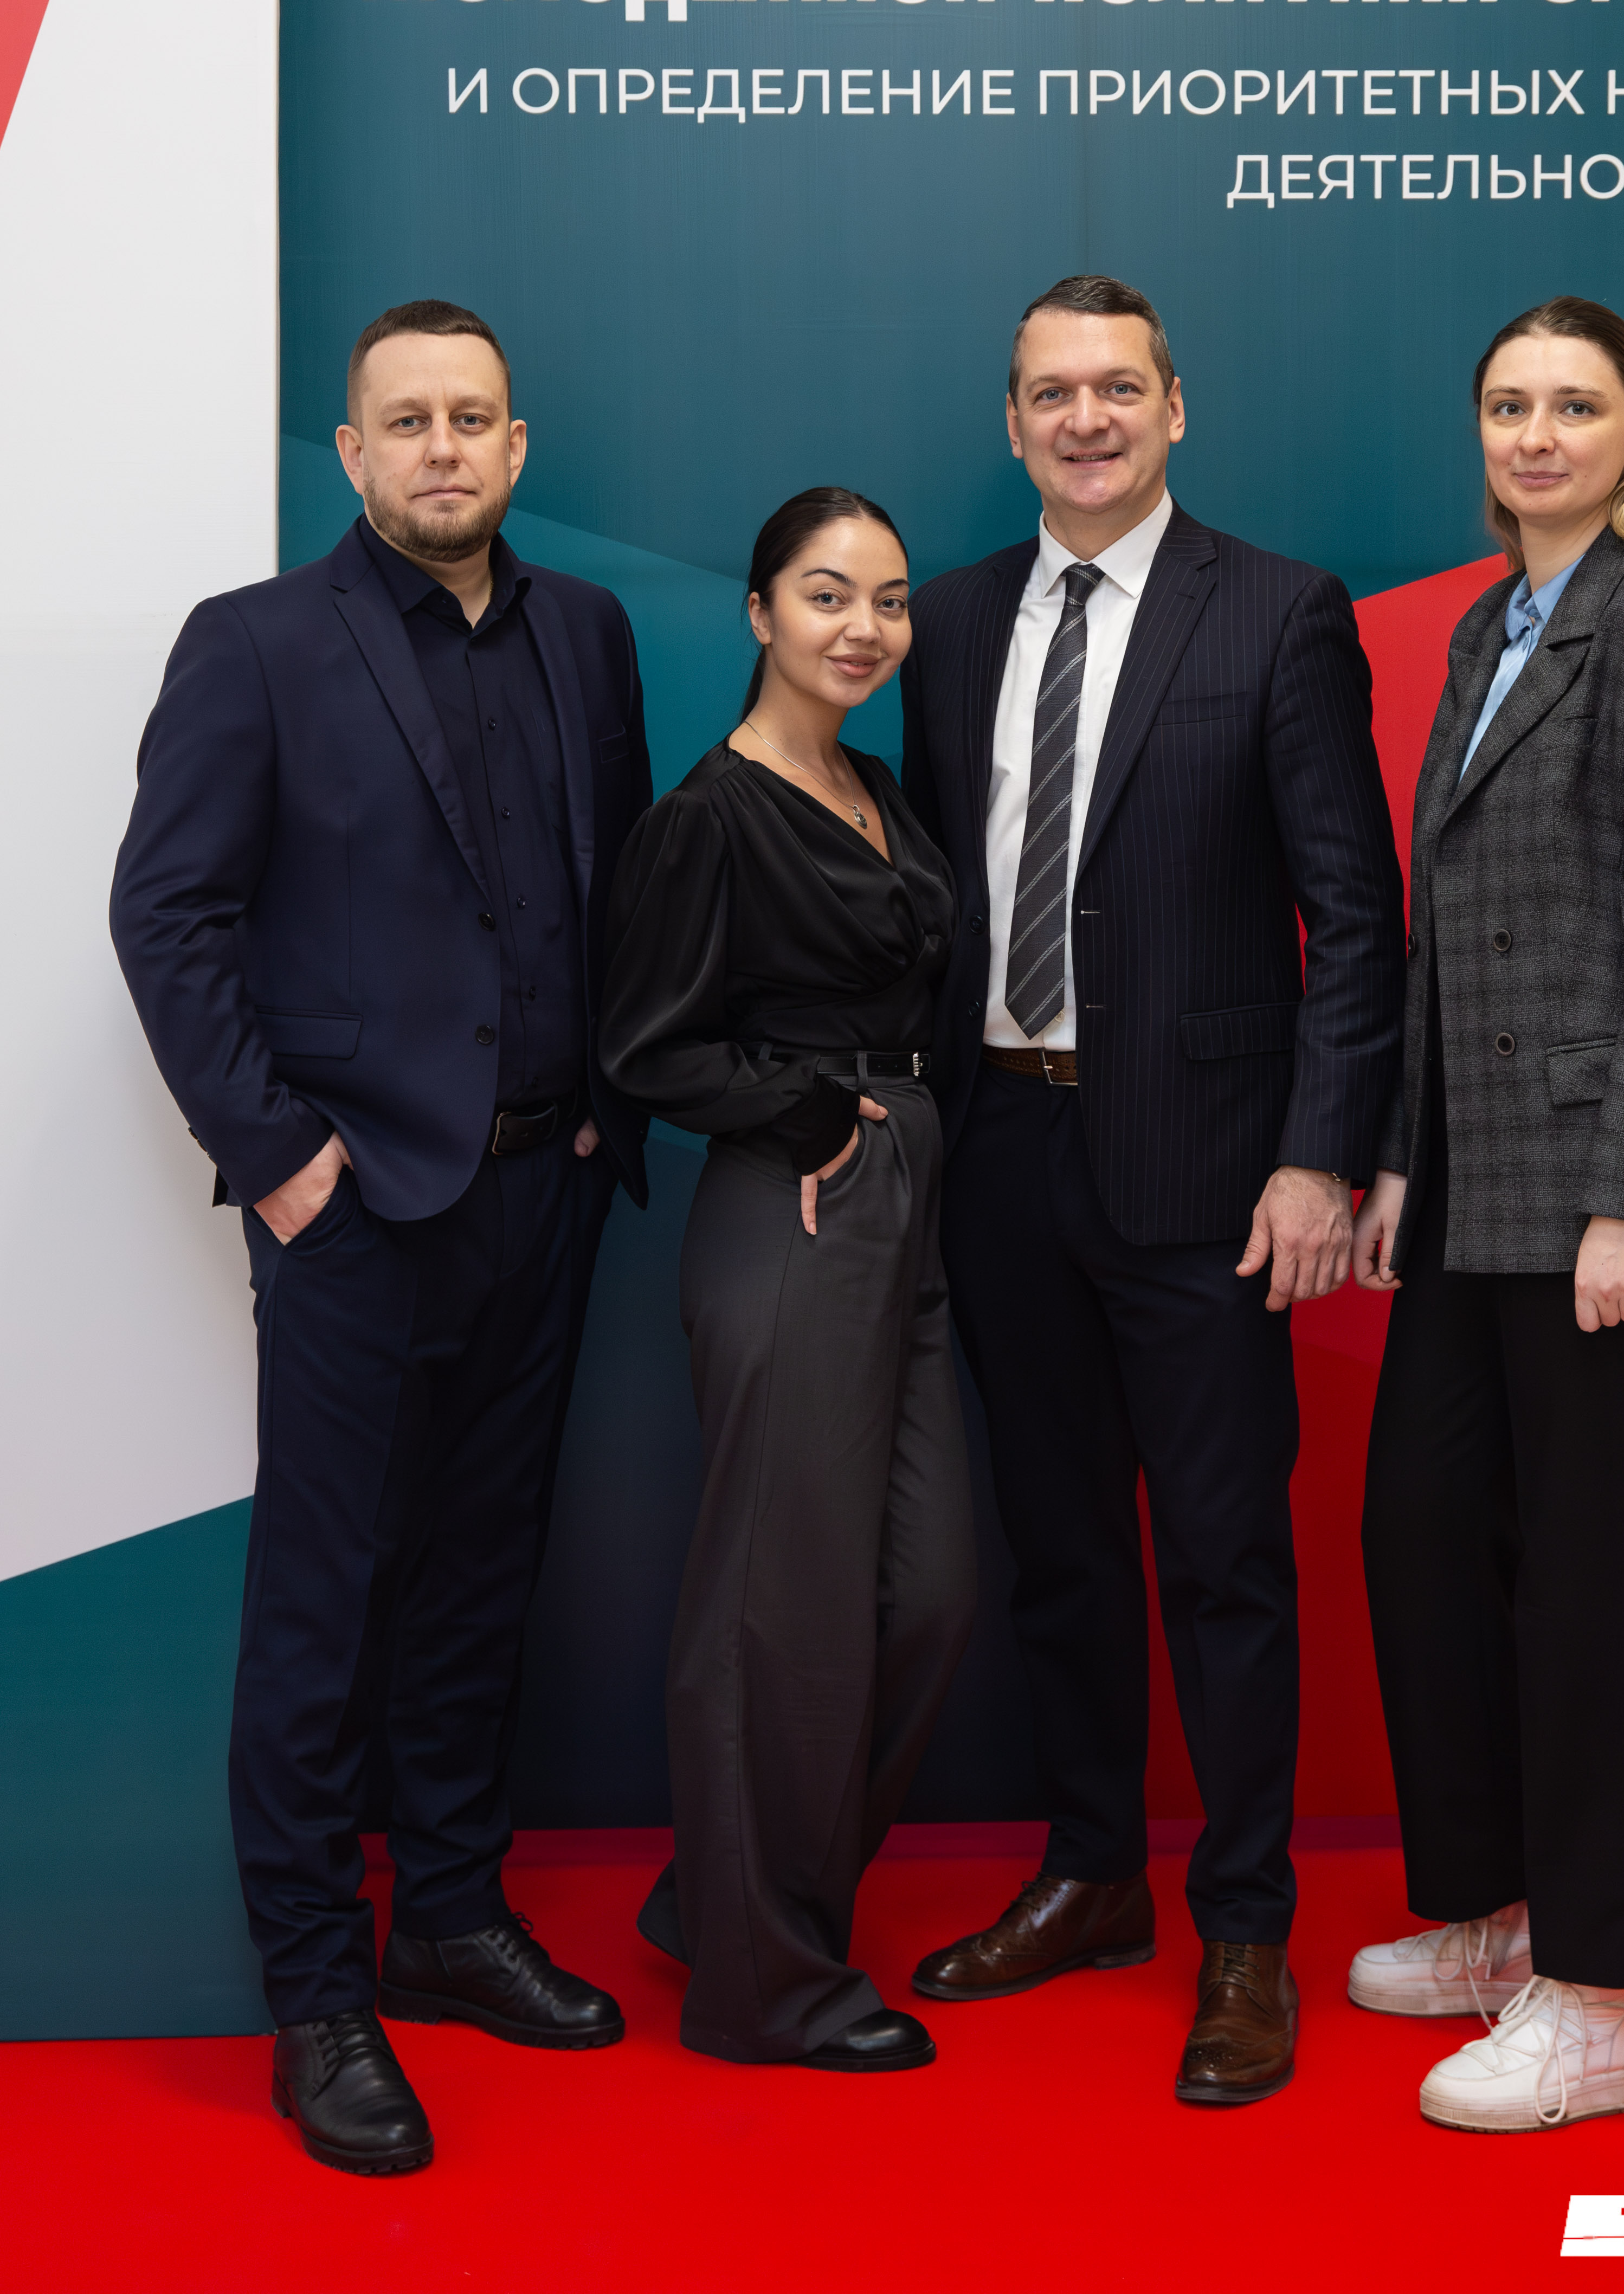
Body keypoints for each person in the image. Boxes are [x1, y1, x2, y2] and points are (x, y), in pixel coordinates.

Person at [109, 300, 652, 2177]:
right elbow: (167, 916)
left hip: (542, 1190)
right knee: (325, 1607)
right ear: (351, 454)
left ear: (517, 446)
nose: (441, 448)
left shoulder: (588, 633)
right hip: (354, 1214)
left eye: (471, 418)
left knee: (485, 1580)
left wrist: (599, 1112)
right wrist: (283, 1165)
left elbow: (610, 887)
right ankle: (317, 1995)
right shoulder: (256, 644)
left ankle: (452, 1919)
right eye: (405, 421)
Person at [899, 274, 1405, 2106]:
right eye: (1054, 392)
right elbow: (931, 899)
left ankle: (1246, 1927)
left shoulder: (1277, 612)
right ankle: (1095, 1875)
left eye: (1120, 388)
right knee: (1059, 1552)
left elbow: (1355, 916)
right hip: (1003, 1154)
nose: (1087, 418)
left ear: (1176, 409)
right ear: (1013, 422)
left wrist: (1319, 1155)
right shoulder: (952, 624)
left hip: (1211, 1179)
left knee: (1224, 1564)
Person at [1348, 295, 1624, 2132]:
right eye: (1509, 404)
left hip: (1594, 1188)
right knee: (1427, 1537)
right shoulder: (1485, 625)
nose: (1536, 435)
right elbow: (1441, 936)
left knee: (1597, 1591)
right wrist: (1400, 1159)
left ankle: (1605, 2000)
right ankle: (1501, 1917)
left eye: (1575, 406)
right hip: (1466, 1179)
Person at [598, 486, 973, 2074]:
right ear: (759, 613)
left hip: (908, 1195)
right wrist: (811, 1114)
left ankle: (728, 1895)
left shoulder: (872, 784)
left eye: (888, 600)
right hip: (798, 1200)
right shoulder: (711, 813)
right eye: (827, 595)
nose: (863, 628)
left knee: (929, 1591)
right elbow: (641, 1044)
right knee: (779, 1606)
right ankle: (769, 1990)